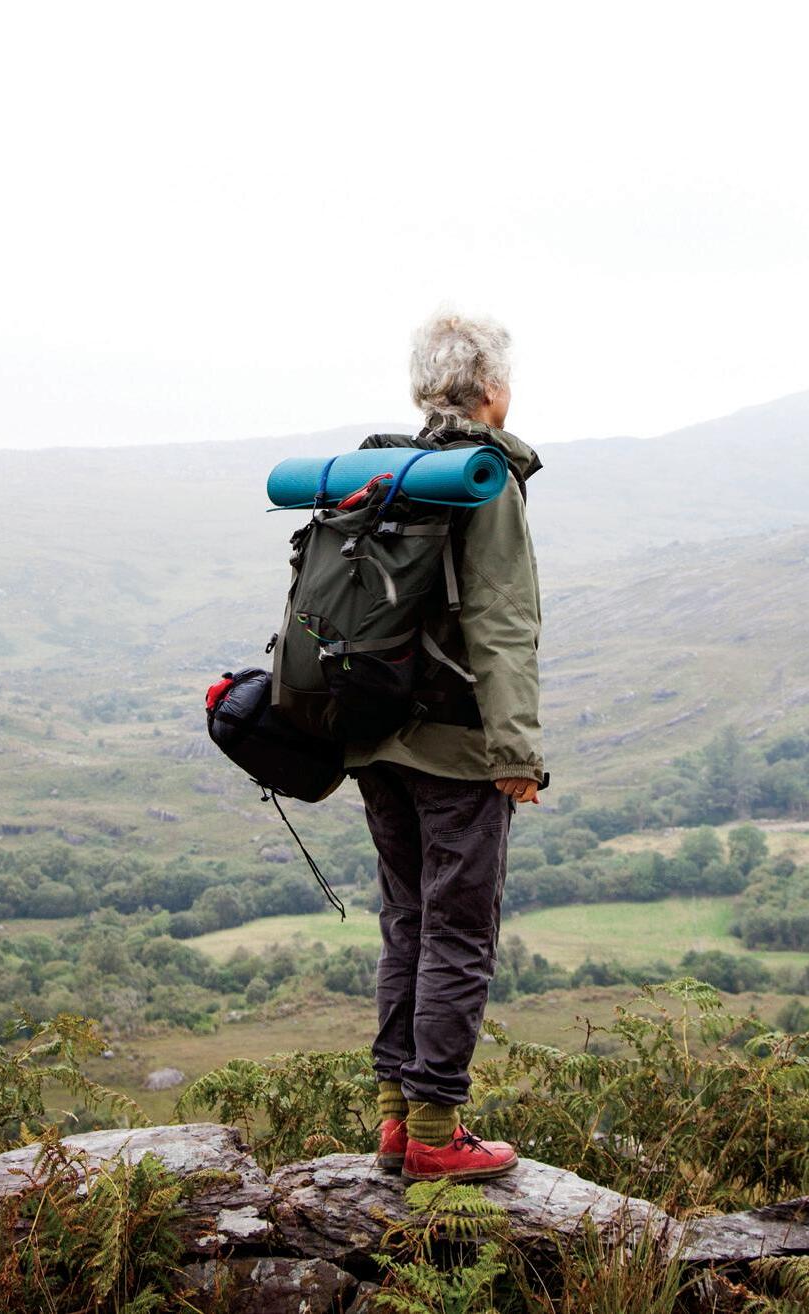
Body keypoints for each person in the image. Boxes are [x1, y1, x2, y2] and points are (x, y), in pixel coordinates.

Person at [345, 310, 545, 1183]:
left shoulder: (385, 467)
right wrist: (515, 749)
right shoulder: (480, 477)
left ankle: (394, 1119)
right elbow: (502, 621)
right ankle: (434, 1130)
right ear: (493, 389)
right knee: (459, 932)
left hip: (374, 736)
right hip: (457, 749)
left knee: (406, 923)